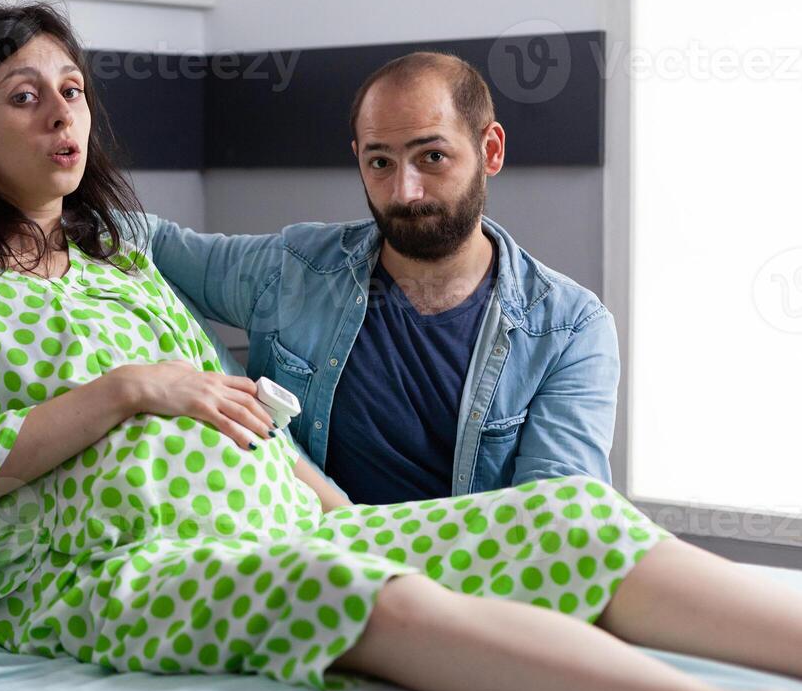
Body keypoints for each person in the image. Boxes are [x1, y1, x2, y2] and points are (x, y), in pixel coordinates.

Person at [0, 0, 802, 691]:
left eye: (71, 89)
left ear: (487, 152)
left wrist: (330, 501)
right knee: (355, 587)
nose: (64, 112)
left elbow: (224, 399)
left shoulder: (116, 260)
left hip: (276, 515)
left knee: (572, 519)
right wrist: (128, 390)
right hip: (114, 569)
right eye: (24, 96)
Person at [148, 52, 614, 504]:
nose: (404, 191)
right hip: (309, 566)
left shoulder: (569, 328)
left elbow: (556, 518)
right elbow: (149, 241)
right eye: (380, 163)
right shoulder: (294, 270)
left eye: (432, 157)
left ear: (489, 151)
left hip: (465, 575)